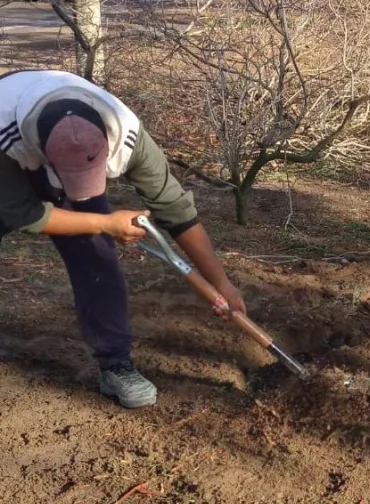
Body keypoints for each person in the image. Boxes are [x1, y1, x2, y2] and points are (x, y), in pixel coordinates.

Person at [0, 68, 246, 409]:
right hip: (10, 164)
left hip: (50, 143)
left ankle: (115, 364)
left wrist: (222, 282)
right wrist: (104, 223)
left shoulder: (126, 130)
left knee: (96, 254)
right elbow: (24, 215)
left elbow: (176, 209)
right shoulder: (5, 132)